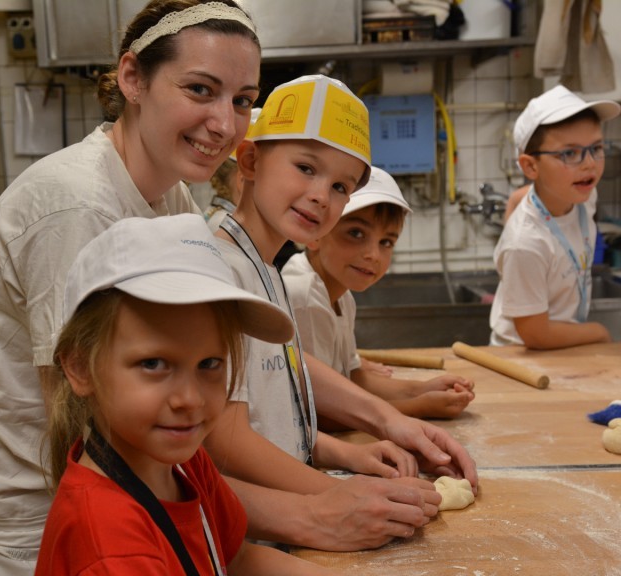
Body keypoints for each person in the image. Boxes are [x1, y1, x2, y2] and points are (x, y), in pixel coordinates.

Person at [0, 2, 263, 574]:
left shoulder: (167, 192)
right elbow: (84, 429)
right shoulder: (75, 206)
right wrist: (310, 512)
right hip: (9, 533)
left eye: (242, 99)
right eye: (200, 89)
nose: (225, 122)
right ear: (132, 78)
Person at [206, 74, 478, 551]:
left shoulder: (265, 266)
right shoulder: (215, 269)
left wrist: (368, 439)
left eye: (339, 185)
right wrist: (338, 492)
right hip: (244, 533)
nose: (321, 195)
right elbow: (223, 437)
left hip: (279, 521)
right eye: (306, 168)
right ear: (249, 159)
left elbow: (277, 392)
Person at [36, 214, 338, 575]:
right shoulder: (111, 547)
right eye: (153, 364)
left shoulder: (181, 462)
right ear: (80, 368)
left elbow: (237, 559)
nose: (190, 399)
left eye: (209, 363)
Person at [282, 166, 475, 422]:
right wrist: (417, 408)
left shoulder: (341, 295)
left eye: (386, 242)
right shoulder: (304, 296)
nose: (373, 254)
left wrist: (422, 389)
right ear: (315, 234)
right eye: (356, 233)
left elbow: (352, 377)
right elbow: (313, 413)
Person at [490, 84, 620, 349]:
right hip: (521, 356)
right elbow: (535, 334)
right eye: (569, 153)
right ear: (530, 166)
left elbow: (520, 195)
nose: (589, 163)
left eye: (595, 148)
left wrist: (515, 204)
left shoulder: (582, 195)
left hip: (559, 346)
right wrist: (599, 332)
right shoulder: (526, 243)